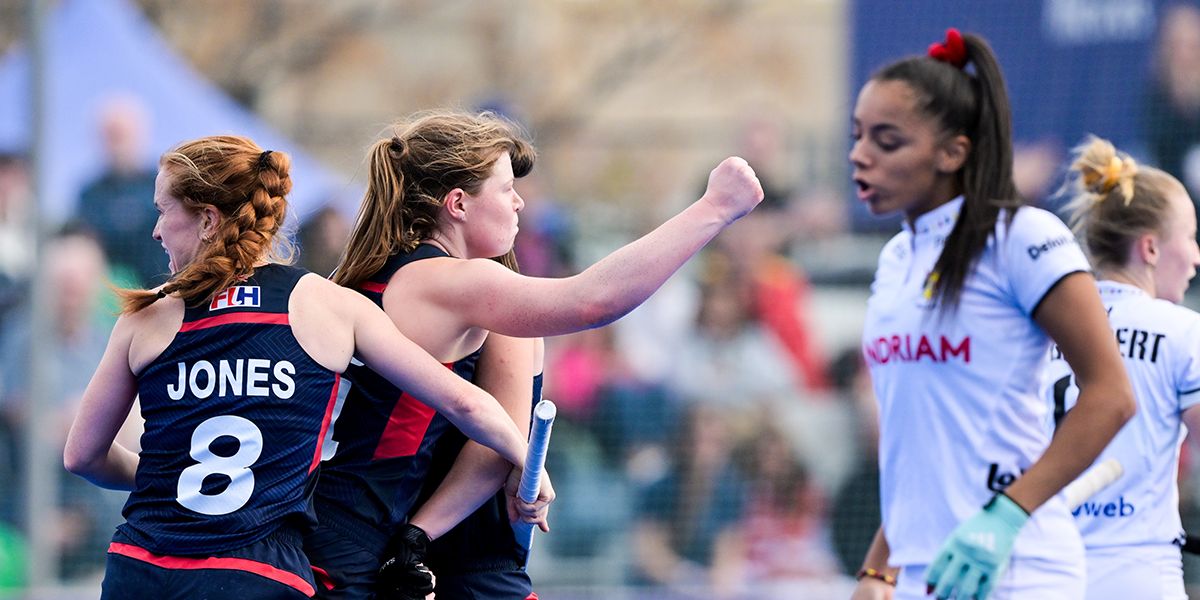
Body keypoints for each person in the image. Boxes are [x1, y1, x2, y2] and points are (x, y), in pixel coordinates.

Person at [310, 108, 763, 600]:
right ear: (458, 204)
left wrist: (418, 535)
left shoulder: (369, 277)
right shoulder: (448, 281)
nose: (520, 202)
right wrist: (714, 208)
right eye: (507, 188)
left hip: (336, 529)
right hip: (359, 539)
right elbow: (593, 302)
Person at [62, 135, 532, 600]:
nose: (156, 230)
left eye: (163, 210)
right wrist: (528, 465)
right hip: (256, 573)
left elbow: (81, 457)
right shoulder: (326, 304)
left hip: (140, 569)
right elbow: (465, 402)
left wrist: (171, 476)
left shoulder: (146, 316)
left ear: (208, 219)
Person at [848, 29, 1137, 600]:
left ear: (953, 152)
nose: (860, 154)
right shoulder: (896, 259)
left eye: (887, 140)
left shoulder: (1022, 237)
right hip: (922, 572)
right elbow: (918, 439)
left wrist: (1006, 516)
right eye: (857, 135)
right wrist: (878, 570)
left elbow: (1112, 395)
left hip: (1019, 567)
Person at [1043, 136, 1200, 600]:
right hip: (1139, 573)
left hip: (1044, 572)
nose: (1196, 255)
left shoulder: (1042, 331)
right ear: (1150, 249)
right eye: (1190, 236)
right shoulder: (1181, 331)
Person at [75, 95, 169, 287]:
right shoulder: (90, 195)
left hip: (161, 286)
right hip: (108, 292)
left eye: (123, 135)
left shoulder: (164, 186)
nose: (118, 144)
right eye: (112, 135)